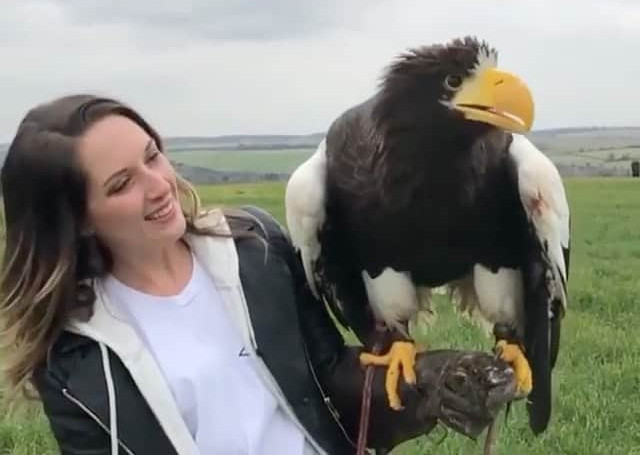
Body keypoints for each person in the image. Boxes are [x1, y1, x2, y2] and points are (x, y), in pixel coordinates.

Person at [0, 94, 517, 455]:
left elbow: (328, 375)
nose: (158, 185)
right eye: (121, 184)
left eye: (152, 155)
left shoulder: (251, 246)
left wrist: (433, 383)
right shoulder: (74, 354)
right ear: (79, 220)